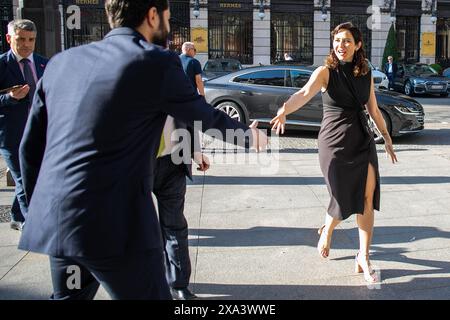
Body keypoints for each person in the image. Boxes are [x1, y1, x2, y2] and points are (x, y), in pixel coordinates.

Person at [18, 0, 267, 300]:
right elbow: (203, 114)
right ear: (152, 15)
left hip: (57, 221)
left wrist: (37, 210)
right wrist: (250, 138)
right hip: (115, 225)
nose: (168, 25)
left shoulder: (61, 62)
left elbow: (30, 148)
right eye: (166, 18)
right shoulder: (155, 62)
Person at [271, 22, 397, 283]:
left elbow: (373, 110)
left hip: (362, 140)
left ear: (358, 45)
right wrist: (284, 109)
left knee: (366, 197)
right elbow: (303, 94)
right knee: (341, 194)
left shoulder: (366, 73)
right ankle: (327, 229)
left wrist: (386, 138)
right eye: (338, 40)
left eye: (347, 40)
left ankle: (363, 255)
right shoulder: (325, 71)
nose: (341, 45)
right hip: (334, 141)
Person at [154, 115, 209, 300]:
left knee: (175, 225)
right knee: (138, 227)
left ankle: (179, 285)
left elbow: (190, 113)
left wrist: (195, 151)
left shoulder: (180, 83)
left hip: (174, 161)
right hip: (137, 165)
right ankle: (145, 280)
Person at [0, 19, 48, 231]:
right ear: (9, 39)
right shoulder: (2, 65)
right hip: (12, 134)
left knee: (32, 176)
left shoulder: (43, 63)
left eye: (31, 40)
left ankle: (16, 216)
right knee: (24, 178)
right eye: (21, 39)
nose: (26, 45)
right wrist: (10, 98)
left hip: (40, 132)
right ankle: (33, 226)